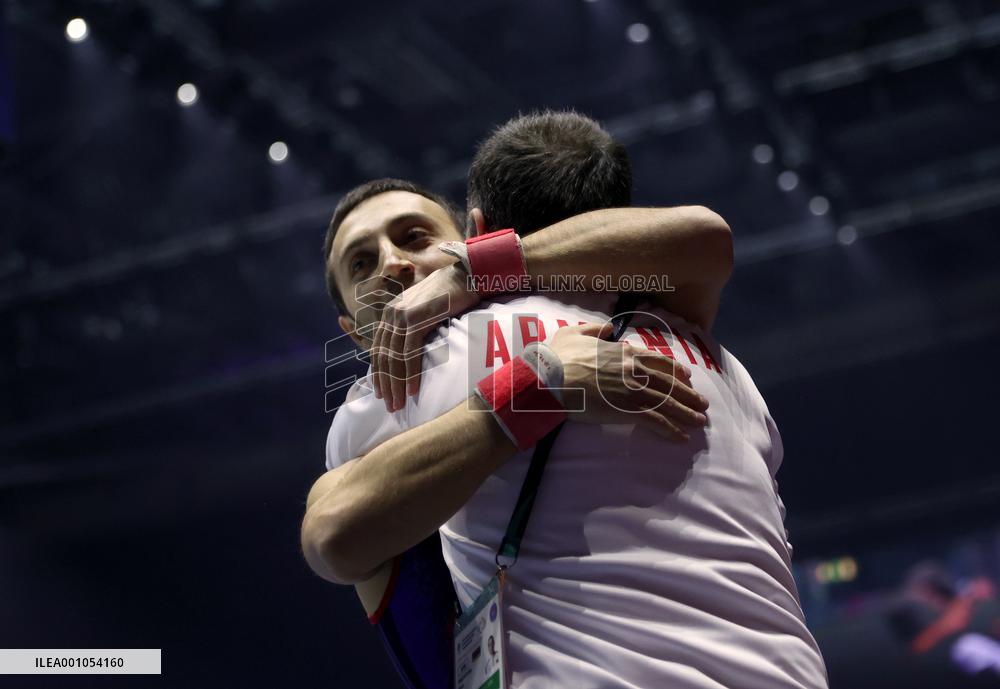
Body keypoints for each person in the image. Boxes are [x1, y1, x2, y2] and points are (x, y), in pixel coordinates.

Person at [304, 111, 828, 687]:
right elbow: (706, 238)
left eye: (414, 237)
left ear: (473, 237)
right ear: (355, 331)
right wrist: (539, 378)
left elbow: (329, 538)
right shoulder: (710, 353)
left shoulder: (433, 367)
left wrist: (527, 381)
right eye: (363, 263)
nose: (394, 265)